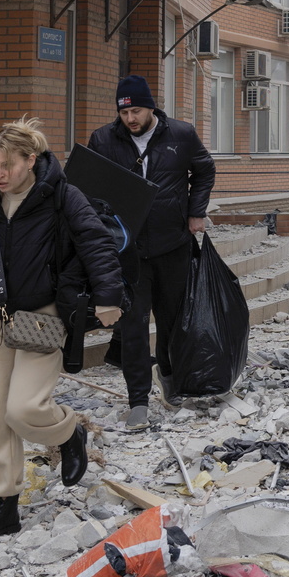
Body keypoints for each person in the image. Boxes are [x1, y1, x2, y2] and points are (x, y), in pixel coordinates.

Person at [0, 117, 123, 538]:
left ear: (31, 159)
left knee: (23, 409)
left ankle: (69, 435)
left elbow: (96, 243)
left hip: (41, 319)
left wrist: (109, 297)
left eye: (6, 166)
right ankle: (3, 506)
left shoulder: (63, 196)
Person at [88, 76, 216, 430]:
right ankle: (138, 401)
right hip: (127, 251)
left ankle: (173, 383)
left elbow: (204, 170)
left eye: (137, 110)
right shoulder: (103, 139)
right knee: (133, 325)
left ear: (152, 107)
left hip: (172, 243)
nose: (131, 118)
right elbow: (89, 187)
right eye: (125, 111)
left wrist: (195, 211)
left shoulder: (181, 134)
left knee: (173, 319)